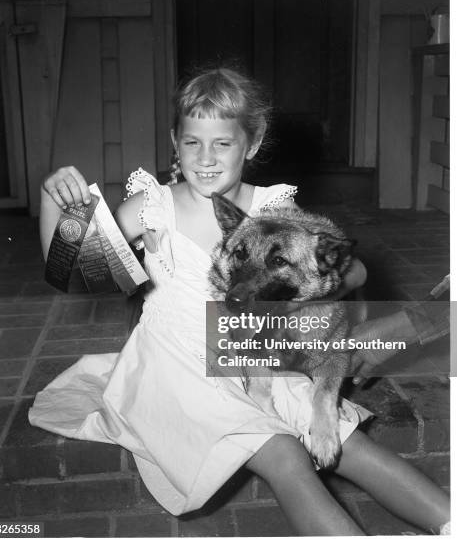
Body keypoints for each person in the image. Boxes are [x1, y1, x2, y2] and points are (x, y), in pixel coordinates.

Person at [30, 67, 450, 536]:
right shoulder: (155, 207)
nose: (205, 158)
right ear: (175, 141)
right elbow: (67, 273)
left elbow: (355, 270)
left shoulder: (274, 208)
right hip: (176, 368)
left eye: (222, 143)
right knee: (286, 454)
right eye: (192, 142)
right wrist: (55, 202)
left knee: (349, 445)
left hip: (255, 360)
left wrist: (309, 291)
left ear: (250, 143)